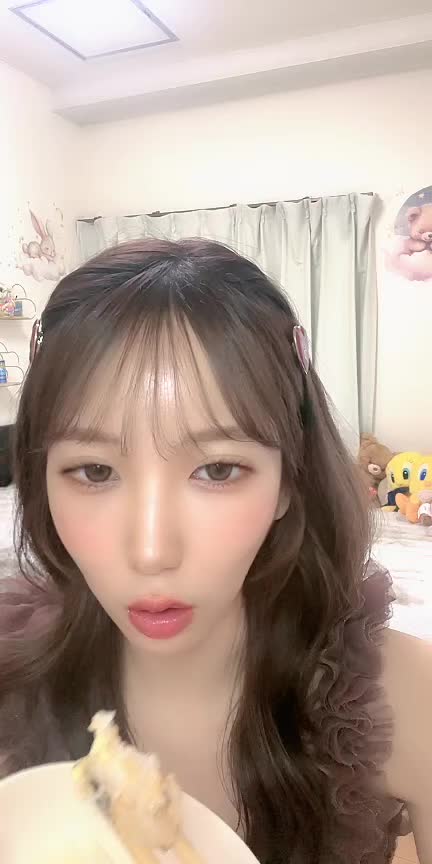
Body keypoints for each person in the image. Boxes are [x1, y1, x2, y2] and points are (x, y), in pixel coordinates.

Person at [0, 239, 430, 863]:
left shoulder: (403, 697)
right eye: (94, 471)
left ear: (288, 483)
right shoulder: (12, 686)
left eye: (219, 470)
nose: (152, 551)